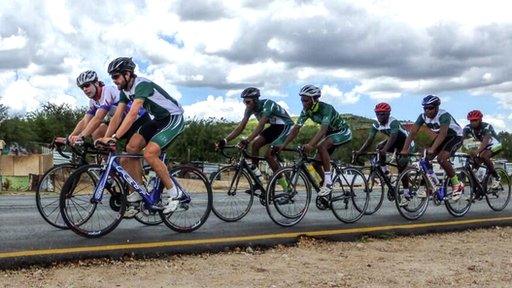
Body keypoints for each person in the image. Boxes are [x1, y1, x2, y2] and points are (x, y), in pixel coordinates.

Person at [100, 57, 185, 214]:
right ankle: (139, 191)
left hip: (173, 118)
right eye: (112, 77)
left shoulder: (142, 85)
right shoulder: (124, 91)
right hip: (158, 120)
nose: (114, 81)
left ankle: (176, 194)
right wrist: (107, 136)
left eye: (116, 76)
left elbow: (132, 114)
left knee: (149, 153)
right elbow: (118, 115)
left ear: (127, 74)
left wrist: (115, 137)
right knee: (130, 150)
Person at [276, 84, 352, 196]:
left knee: (321, 146)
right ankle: (327, 182)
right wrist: (283, 144)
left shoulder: (327, 108)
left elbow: (322, 130)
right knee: (315, 164)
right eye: (302, 100)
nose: (303, 103)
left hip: (342, 132)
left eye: (306, 100)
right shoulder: (306, 110)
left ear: (314, 99)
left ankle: (328, 182)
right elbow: (296, 129)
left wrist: (310, 145)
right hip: (329, 134)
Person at [217, 87, 294, 190]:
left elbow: (261, 126)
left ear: (256, 100)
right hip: (275, 127)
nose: (246, 104)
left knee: (268, 155)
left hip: (286, 126)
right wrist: (225, 140)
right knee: (255, 145)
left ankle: (287, 188)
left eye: (248, 102)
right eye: (244, 102)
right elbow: (241, 127)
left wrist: (247, 140)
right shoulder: (249, 108)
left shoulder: (268, 104)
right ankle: (258, 180)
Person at [401, 95, 464, 200]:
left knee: (441, 159)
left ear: (437, 107)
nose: (427, 111)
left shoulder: (443, 115)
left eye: (430, 108)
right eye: (425, 108)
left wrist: (433, 148)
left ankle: (457, 185)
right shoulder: (422, 117)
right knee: (425, 160)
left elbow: (443, 134)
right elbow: (412, 133)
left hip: (455, 137)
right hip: (442, 138)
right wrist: (405, 149)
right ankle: (432, 186)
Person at [355, 102, 413, 205]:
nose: (380, 116)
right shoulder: (376, 124)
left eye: (383, 114)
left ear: (388, 114)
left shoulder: (393, 122)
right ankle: (386, 173)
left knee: (401, 166)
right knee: (379, 147)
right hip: (395, 142)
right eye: (378, 114)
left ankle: (407, 193)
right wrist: (360, 151)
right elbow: (369, 139)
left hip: (406, 143)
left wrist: (385, 149)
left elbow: (393, 137)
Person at [463, 110, 503, 188]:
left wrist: (477, 151)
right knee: (475, 162)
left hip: (495, 144)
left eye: (475, 120)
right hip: (485, 146)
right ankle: (478, 188)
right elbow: (461, 139)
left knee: (484, 156)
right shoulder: (467, 127)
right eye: (471, 120)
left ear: (480, 120)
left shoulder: (487, 127)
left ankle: (496, 176)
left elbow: (485, 141)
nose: (473, 122)